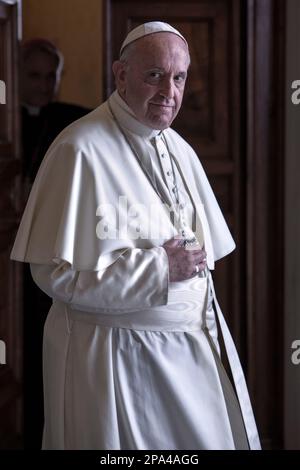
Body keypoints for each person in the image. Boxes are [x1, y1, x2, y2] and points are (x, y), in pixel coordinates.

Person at [11, 22, 261, 450]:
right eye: (154, 75)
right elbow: (52, 273)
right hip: (114, 362)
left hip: (187, 356)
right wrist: (161, 268)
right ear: (121, 75)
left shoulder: (180, 148)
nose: (169, 90)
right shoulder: (80, 148)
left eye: (179, 77)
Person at [20, 38, 91, 449]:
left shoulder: (72, 123)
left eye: (51, 76)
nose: (44, 85)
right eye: (34, 75)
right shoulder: (9, 120)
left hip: (59, 255)